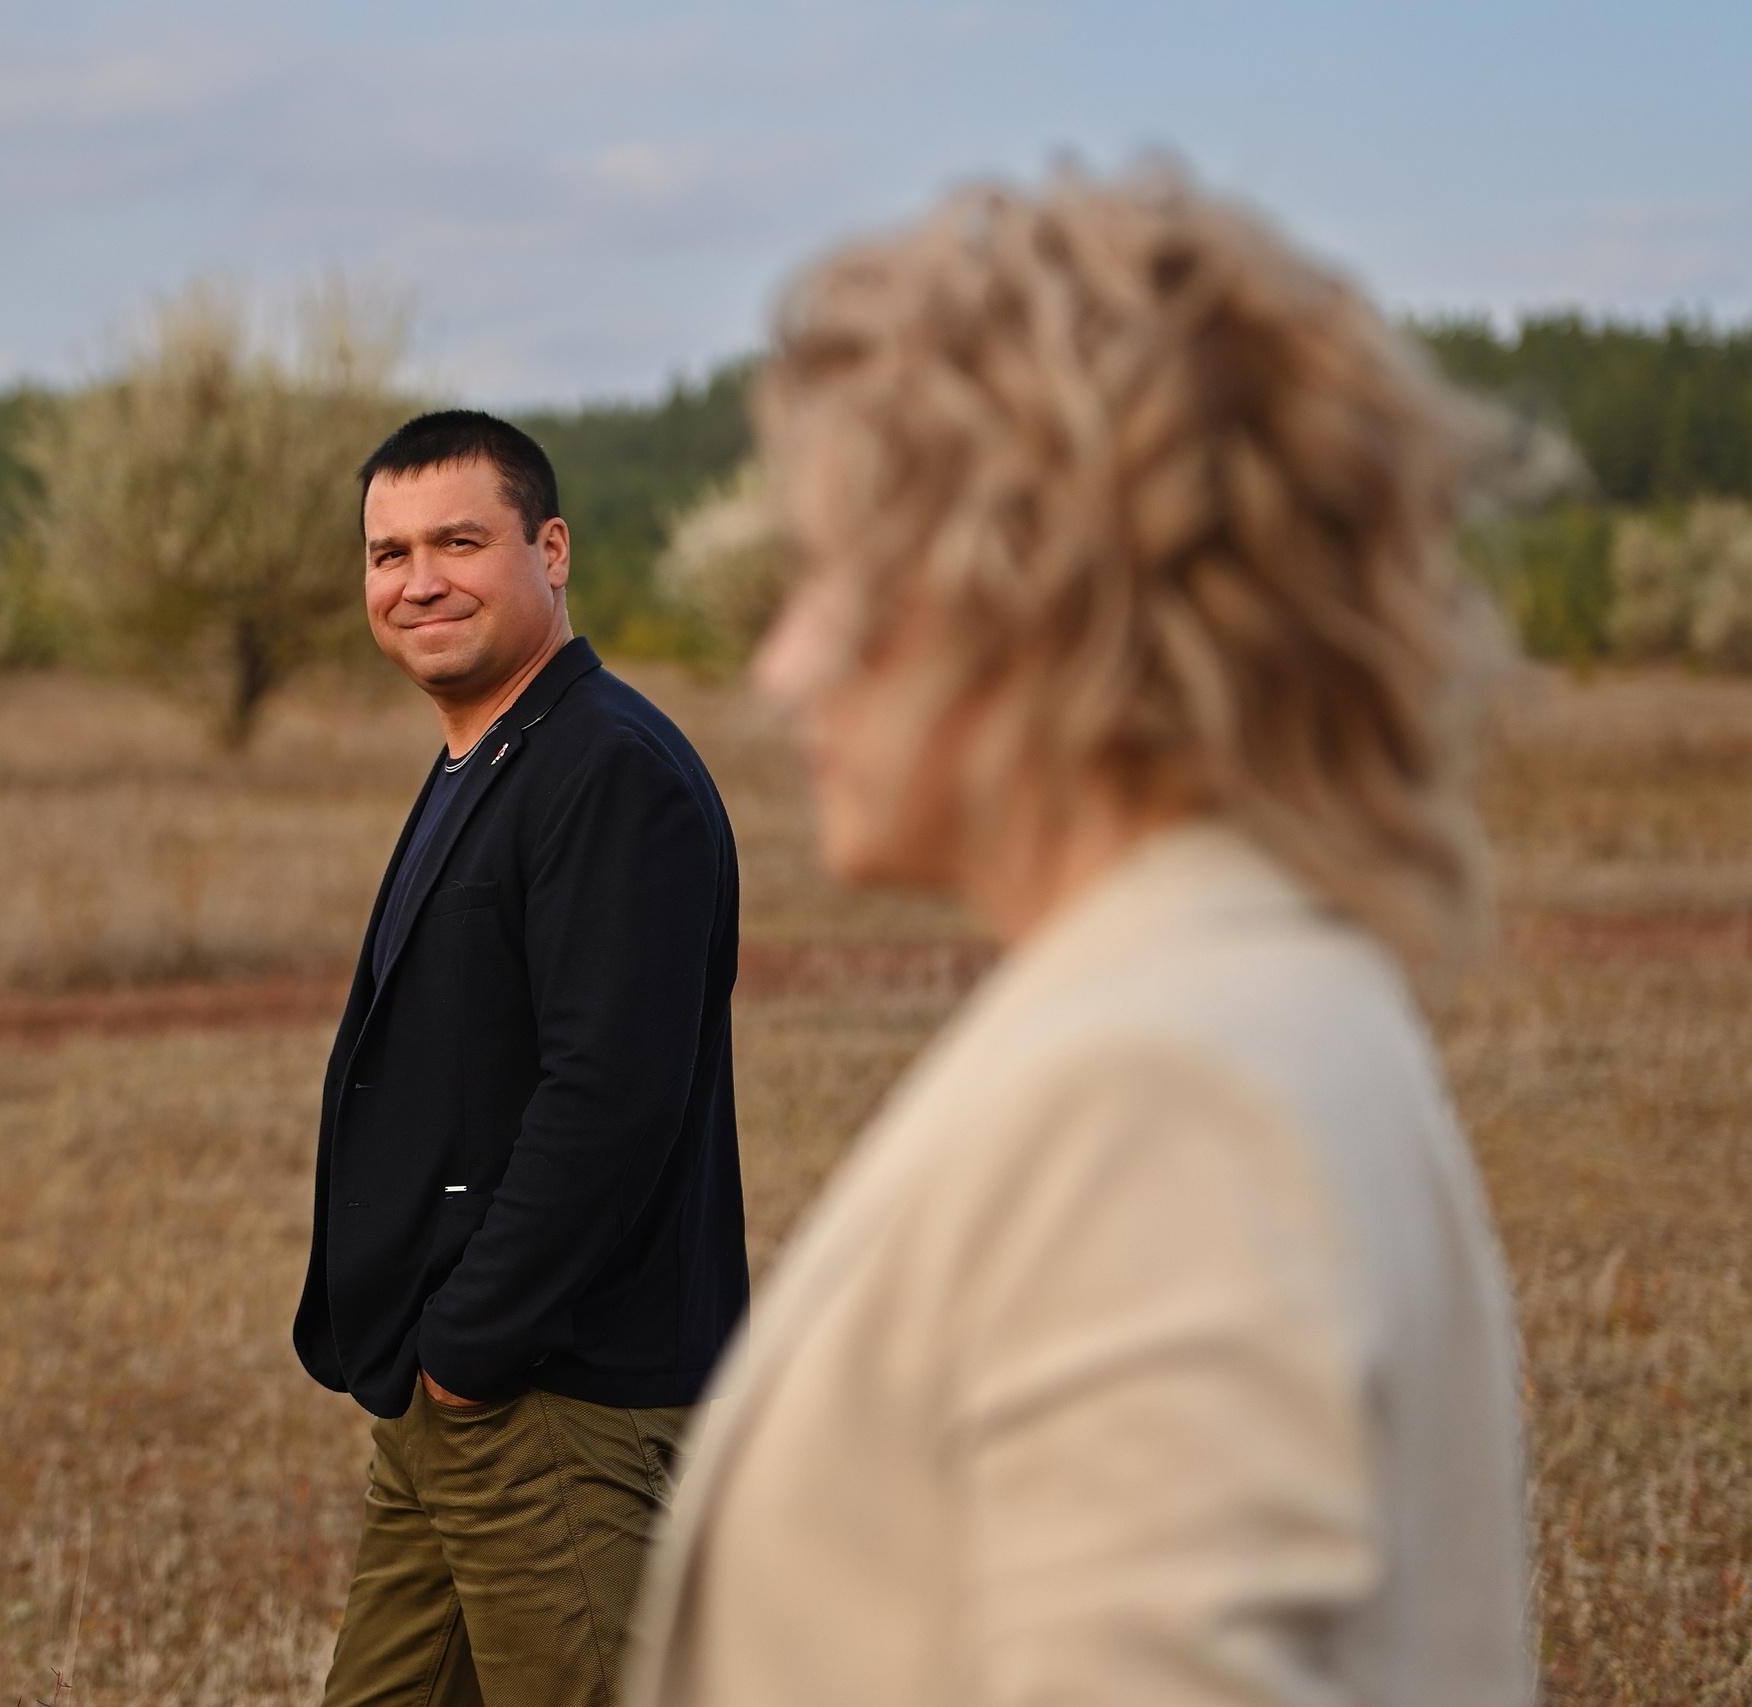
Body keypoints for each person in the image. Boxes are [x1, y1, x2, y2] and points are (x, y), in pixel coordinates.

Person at [625, 170, 1531, 1706]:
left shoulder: (1158, 1101)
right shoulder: (1263, 1003)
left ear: (1026, 587)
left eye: (832, 579)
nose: (778, 668)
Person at [295, 410, 748, 1707]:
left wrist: (473, 1350)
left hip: (556, 1397)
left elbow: (608, 1095)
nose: (418, 579)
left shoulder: (608, 770)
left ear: (549, 551)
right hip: (461, 1401)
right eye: (389, 552)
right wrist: (441, 1373)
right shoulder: (492, 758)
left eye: (458, 541)